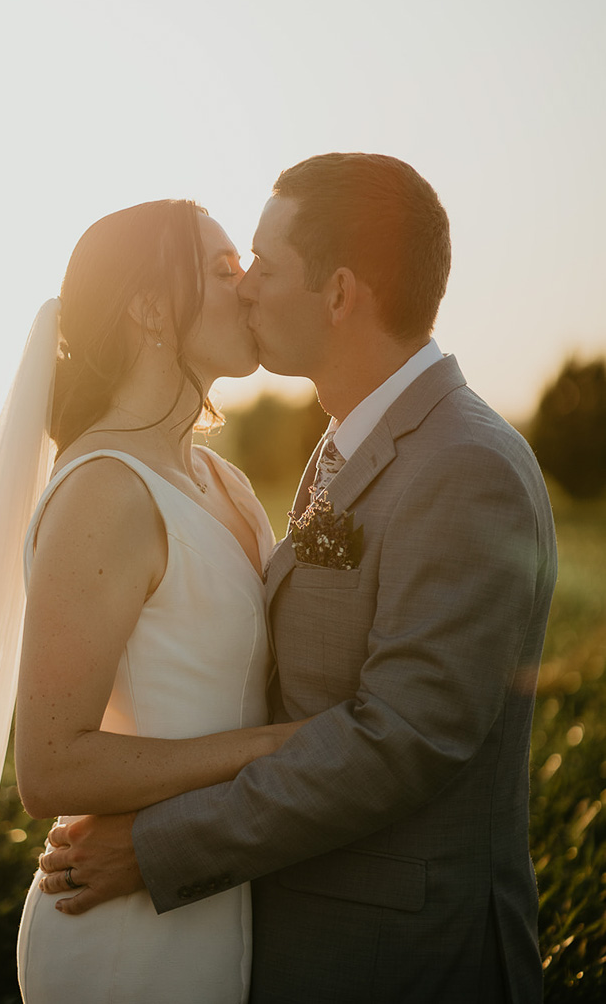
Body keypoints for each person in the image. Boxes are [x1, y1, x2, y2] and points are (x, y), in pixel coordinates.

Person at [39, 154, 558, 1004]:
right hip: (270, 934)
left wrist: (156, 843)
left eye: (262, 266)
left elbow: (401, 741)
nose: (245, 288)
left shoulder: (465, 464)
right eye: (228, 267)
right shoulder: (344, 443)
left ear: (340, 292)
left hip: (407, 958)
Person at [15, 199, 307, 1003]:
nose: (247, 286)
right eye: (220, 269)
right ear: (148, 308)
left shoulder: (223, 482)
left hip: (212, 899)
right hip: (122, 939)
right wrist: (268, 749)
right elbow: (50, 764)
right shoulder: (104, 489)